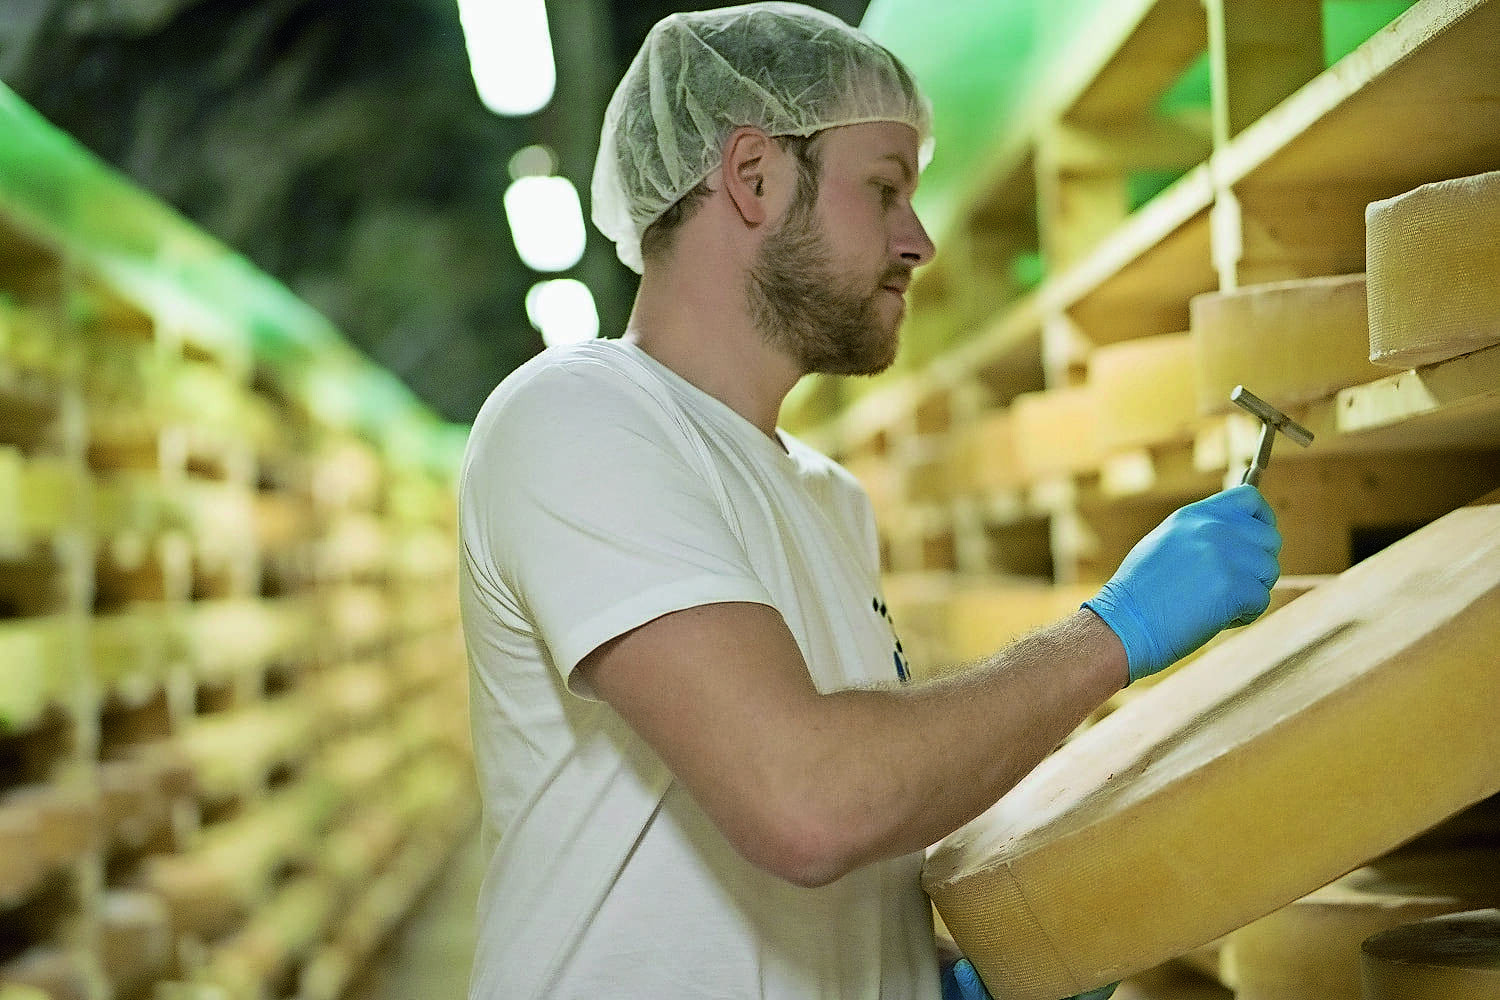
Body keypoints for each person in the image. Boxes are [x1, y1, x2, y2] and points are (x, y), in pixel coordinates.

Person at [457, 4, 1283, 998]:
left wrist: (924, 975)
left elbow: (824, 862)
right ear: (753, 175)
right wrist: (1114, 631)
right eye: (885, 189)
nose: (919, 240)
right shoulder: (579, 417)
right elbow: (805, 801)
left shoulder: (828, 497)